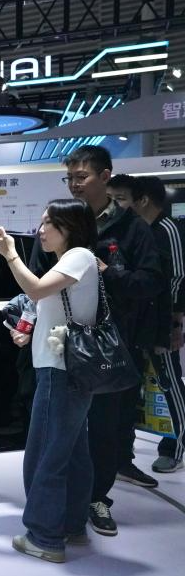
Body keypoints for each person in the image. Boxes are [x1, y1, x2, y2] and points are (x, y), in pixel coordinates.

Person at [30, 146, 163, 537]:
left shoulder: (131, 227)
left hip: (108, 347)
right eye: (69, 178)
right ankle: (65, 508)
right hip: (59, 346)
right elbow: (36, 282)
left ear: (105, 177)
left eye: (82, 177)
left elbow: (151, 282)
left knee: (105, 428)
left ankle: (96, 500)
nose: (74, 184)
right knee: (62, 435)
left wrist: (107, 273)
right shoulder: (59, 220)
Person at [0, 199, 99, 563]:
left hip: (60, 369)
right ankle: (70, 524)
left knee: (46, 453)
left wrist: (10, 254)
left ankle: (45, 537)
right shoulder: (72, 261)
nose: (40, 231)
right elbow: (50, 306)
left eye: (48, 223)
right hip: (66, 367)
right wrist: (27, 331)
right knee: (73, 451)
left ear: (69, 226)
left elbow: (36, 290)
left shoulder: (78, 256)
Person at [125, 176, 185, 473]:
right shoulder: (137, 230)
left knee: (169, 382)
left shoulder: (167, 229)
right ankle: (124, 446)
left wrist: (174, 323)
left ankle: (176, 447)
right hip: (137, 321)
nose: (120, 205)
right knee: (134, 384)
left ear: (143, 200)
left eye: (123, 199)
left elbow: (177, 278)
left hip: (161, 322)